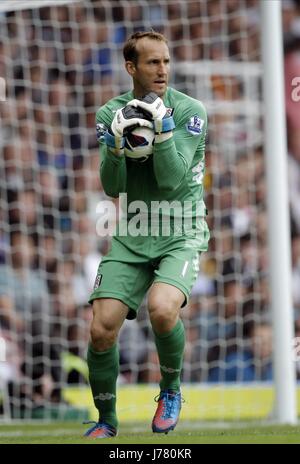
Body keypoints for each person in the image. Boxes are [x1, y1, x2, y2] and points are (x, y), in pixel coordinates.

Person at [84, 30, 210, 439]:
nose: (163, 70)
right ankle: (107, 421)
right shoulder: (110, 114)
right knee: (101, 328)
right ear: (131, 67)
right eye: (153, 62)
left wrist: (165, 130)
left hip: (181, 231)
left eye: (167, 61)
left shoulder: (191, 111)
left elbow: (173, 180)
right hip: (133, 232)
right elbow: (110, 185)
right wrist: (117, 149)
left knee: (161, 307)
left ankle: (170, 392)